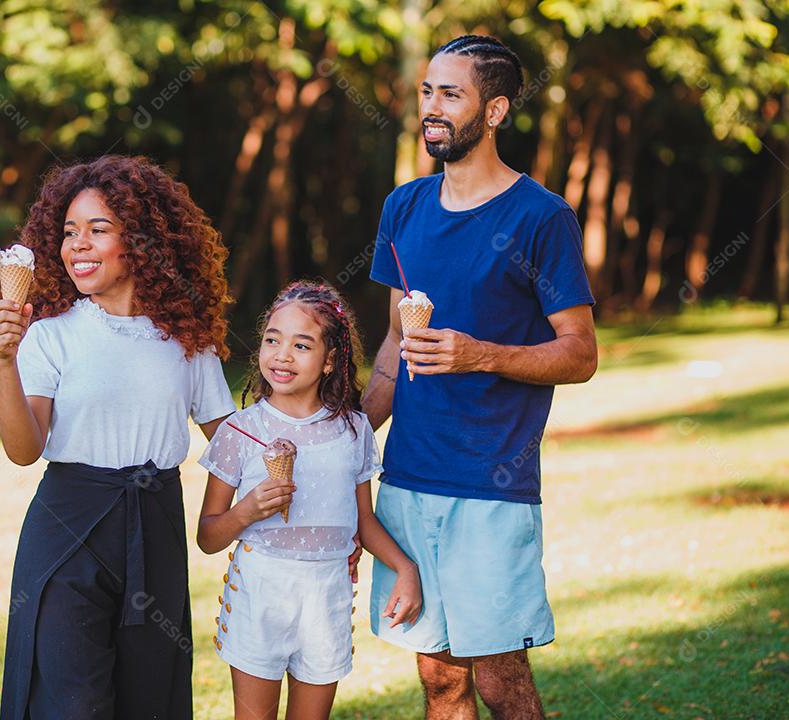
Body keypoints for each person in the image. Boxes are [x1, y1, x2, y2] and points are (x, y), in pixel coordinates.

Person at [361, 35, 599, 720]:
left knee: (501, 682)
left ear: (494, 111)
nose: (431, 109)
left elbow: (579, 353)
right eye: (427, 92)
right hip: (407, 477)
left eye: (451, 95)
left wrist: (480, 355)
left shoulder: (541, 217)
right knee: (440, 681)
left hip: (491, 484)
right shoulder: (402, 208)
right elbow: (391, 345)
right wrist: (345, 429)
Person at [0, 154, 236, 719]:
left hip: (156, 529)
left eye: (98, 230)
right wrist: (6, 361)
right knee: (71, 703)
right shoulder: (49, 337)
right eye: (70, 232)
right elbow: (23, 451)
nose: (78, 244)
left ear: (142, 241)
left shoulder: (186, 342)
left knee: (149, 700)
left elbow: (230, 444)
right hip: (66, 527)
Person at [196, 280, 423, 720]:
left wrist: (404, 567)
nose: (282, 355)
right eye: (272, 340)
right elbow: (208, 536)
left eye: (302, 345)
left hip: (327, 595)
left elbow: (363, 522)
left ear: (330, 360)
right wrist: (247, 511)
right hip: (260, 591)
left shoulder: (353, 431)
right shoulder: (239, 431)